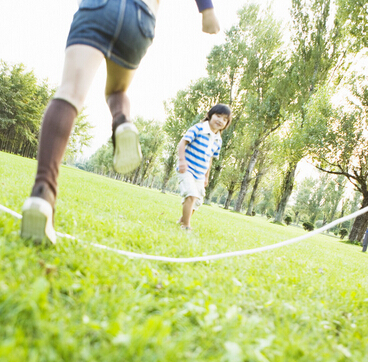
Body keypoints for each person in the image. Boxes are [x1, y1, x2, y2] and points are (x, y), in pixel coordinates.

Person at [21, 0, 222, 244]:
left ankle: (43, 192)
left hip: (98, 7)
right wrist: (206, 10)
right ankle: (122, 120)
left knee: (70, 92)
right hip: (140, 16)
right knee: (117, 91)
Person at [176, 104, 232, 230]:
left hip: (200, 174)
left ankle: (182, 220)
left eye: (224, 119)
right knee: (191, 194)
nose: (220, 121)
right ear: (210, 115)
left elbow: (210, 158)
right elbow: (182, 142)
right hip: (187, 168)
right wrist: (181, 160)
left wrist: (206, 176)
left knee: (197, 201)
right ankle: (186, 226)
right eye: (218, 116)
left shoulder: (218, 140)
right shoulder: (199, 128)